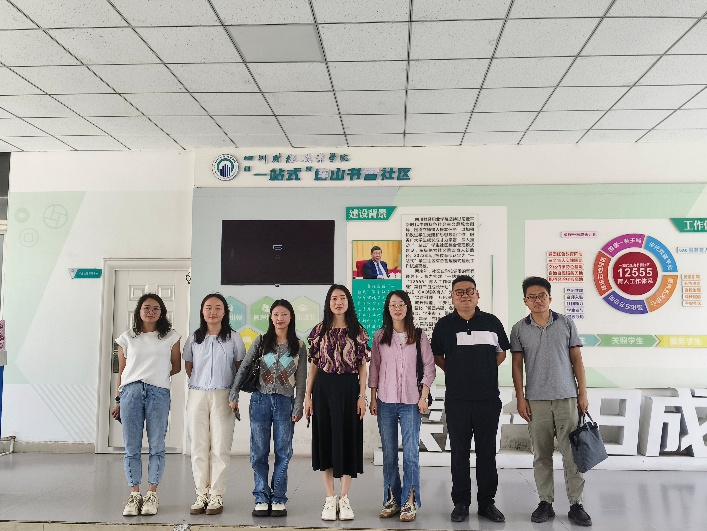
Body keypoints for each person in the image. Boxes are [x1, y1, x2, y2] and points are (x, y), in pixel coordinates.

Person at [510, 276, 592, 527]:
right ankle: (545, 502)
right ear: (525, 300)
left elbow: (577, 359)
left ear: (550, 297)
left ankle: (576, 504)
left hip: (567, 397)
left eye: (542, 296)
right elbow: (516, 366)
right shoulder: (519, 329)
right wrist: (521, 398)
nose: (537, 300)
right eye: (532, 297)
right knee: (541, 454)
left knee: (572, 454)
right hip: (536, 401)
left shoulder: (566, 323)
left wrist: (582, 393)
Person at [431, 274, 509, 523]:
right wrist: (456, 371)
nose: (465, 295)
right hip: (457, 400)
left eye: (469, 291)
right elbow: (437, 356)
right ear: (452, 297)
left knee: (487, 453)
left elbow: (501, 354)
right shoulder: (444, 325)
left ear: (477, 294)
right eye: (459, 292)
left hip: (488, 399)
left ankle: (487, 503)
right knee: (459, 453)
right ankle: (461, 503)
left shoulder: (492, 322)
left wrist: (483, 370)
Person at [229, 299, 307, 518]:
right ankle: (261, 497)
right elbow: (244, 368)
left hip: (285, 403)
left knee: (284, 452)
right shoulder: (261, 341)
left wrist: (298, 406)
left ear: (291, 317)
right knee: (258, 452)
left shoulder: (299, 346)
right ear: (270, 317)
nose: (279, 318)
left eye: (284, 314)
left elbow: (301, 379)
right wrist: (234, 394)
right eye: (276, 314)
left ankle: (279, 497)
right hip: (260, 401)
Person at [305, 284, 370, 521]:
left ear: (348, 302)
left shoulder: (358, 331)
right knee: (326, 439)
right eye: (334, 298)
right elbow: (314, 365)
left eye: (342, 298)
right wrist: (308, 396)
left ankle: (344, 498)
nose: (338, 302)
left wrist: (362, 396)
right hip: (323, 388)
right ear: (328, 303)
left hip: (349, 389)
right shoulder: (319, 330)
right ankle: (329, 498)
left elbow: (362, 367)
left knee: (347, 438)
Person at [111, 293, 181, 517]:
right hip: (130, 392)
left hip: (158, 392)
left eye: (156, 308)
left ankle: (151, 494)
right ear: (139, 311)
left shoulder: (171, 336)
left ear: (162, 312)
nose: (151, 312)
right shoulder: (126, 338)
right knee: (131, 447)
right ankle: (134, 495)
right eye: (146, 307)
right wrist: (118, 400)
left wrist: (156, 376)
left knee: (157, 445)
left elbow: (176, 366)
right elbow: (121, 371)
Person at [369, 290, 435, 522]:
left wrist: (423, 396)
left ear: (408, 308)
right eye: (393, 305)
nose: (397, 308)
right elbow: (374, 368)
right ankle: (391, 499)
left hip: (411, 402)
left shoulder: (419, 335)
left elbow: (429, 367)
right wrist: (373, 397)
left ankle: (409, 501)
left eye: (401, 304)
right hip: (385, 401)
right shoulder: (380, 336)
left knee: (410, 454)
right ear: (387, 309)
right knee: (388, 454)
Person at [183, 293, 246, 515]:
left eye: (218, 308)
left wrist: (233, 395)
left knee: (220, 446)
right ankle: (201, 493)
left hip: (224, 395)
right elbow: (189, 366)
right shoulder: (194, 338)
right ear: (202, 312)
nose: (213, 312)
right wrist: (200, 384)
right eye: (208, 308)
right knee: (198, 446)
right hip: (197, 395)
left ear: (225, 312)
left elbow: (239, 368)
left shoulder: (234, 338)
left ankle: (216, 494)